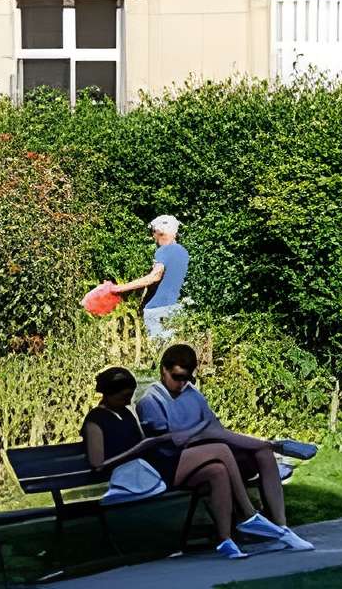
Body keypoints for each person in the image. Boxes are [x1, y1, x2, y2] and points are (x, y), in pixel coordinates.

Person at [135, 344, 318, 553]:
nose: (181, 383)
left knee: (262, 454)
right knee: (220, 451)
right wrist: (203, 432)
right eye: (177, 377)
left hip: (211, 453)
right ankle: (248, 515)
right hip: (173, 464)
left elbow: (218, 431)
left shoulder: (192, 394)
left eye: (187, 378)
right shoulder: (150, 401)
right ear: (163, 370)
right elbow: (170, 444)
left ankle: (281, 529)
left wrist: (267, 444)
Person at [83, 366, 258, 561]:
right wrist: (140, 448)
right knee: (220, 450)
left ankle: (225, 539)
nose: (128, 401)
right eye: (123, 397)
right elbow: (98, 463)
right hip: (140, 474)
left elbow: (143, 443)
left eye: (130, 396)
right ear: (108, 394)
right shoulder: (95, 420)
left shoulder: (125, 413)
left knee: (217, 471)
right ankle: (249, 514)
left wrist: (156, 440)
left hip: (153, 465)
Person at [102, 215, 191, 340]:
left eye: (154, 233)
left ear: (160, 233)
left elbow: (154, 276)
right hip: (175, 308)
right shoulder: (180, 251)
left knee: (158, 351)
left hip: (158, 310)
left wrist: (120, 288)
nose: (153, 237)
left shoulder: (165, 251)